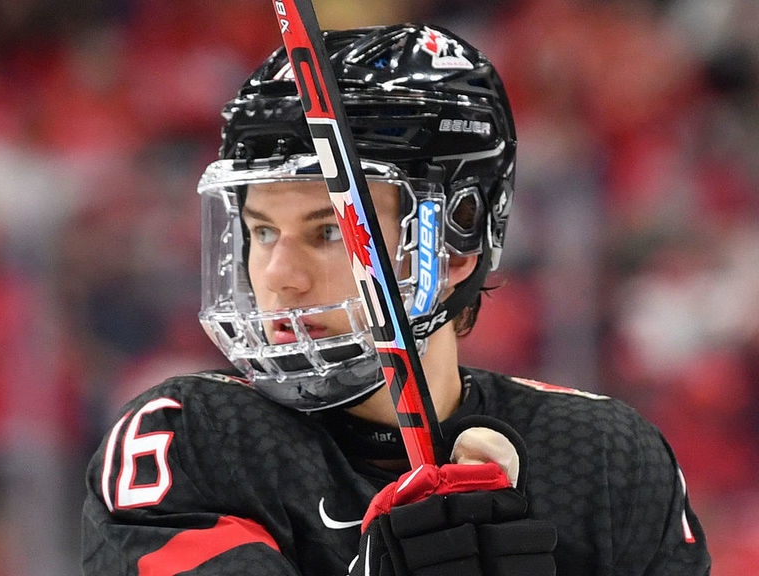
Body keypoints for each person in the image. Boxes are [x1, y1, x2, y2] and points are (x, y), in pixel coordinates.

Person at [81, 24, 711, 576]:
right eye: (262, 231)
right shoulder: (192, 438)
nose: (279, 276)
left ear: (456, 245)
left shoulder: (604, 458)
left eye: (329, 231)